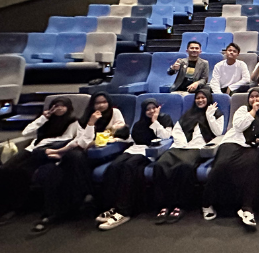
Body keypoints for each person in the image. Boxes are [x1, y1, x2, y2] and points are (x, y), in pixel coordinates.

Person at [28, 93, 127, 235]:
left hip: (105, 152)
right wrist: (91, 123)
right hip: (85, 152)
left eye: (104, 102)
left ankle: (75, 202)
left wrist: (102, 136)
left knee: (73, 158)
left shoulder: (115, 113)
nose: (101, 105)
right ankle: (53, 211)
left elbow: (120, 132)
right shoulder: (87, 117)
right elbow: (83, 141)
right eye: (97, 103)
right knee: (56, 171)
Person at [0, 97, 78, 225]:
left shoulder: (72, 122)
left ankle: (14, 208)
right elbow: (26, 132)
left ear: (68, 108)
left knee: (21, 173)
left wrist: (49, 146)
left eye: (62, 106)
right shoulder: (45, 119)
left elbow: (68, 139)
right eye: (56, 105)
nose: (59, 108)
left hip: (47, 152)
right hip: (31, 149)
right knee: (3, 170)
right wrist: (43, 118)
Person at [202, 87, 259, 228]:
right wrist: (253, 111)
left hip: (253, 146)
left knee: (253, 167)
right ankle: (207, 203)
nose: (254, 99)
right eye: (252, 97)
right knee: (222, 165)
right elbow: (238, 127)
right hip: (233, 142)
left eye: (258, 96)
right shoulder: (243, 110)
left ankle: (247, 209)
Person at [96, 99, 174, 230]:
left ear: (158, 108)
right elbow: (133, 138)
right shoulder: (139, 123)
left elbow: (166, 136)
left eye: (153, 108)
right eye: (148, 109)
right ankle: (113, 206)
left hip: (149, 151)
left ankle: (124, 210)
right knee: (114, 166)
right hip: (133, 149)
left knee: (129, 167)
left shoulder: (165, 119)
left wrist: (155, 121)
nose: (151, 111)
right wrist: (117, 137)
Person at [153, 89, 224, 223]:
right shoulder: (188, 114)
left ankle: (180, 205)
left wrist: (209, 116)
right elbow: (177, 130)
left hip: (197, 148)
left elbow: (218, 132)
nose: (200, 100)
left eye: (203, 97)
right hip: (179, 146)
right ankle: (164, 205)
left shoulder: (216, 113)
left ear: (208, 98)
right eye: (197, 98)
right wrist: (182, 144)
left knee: (184, 167)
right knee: (160, 165)